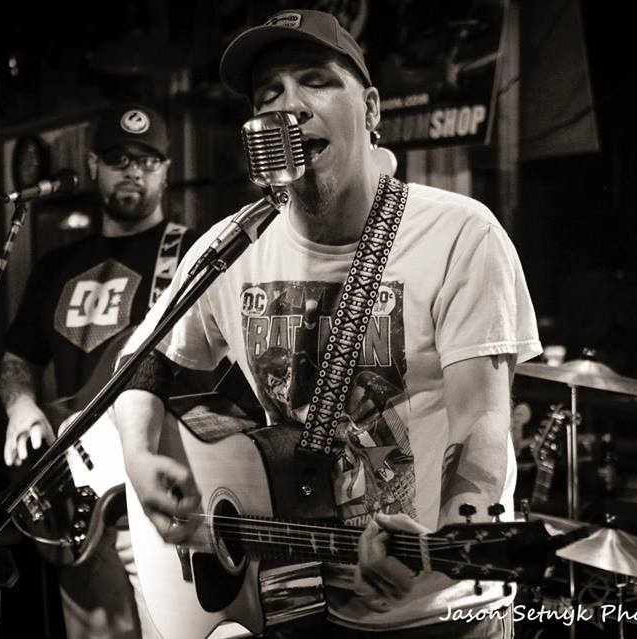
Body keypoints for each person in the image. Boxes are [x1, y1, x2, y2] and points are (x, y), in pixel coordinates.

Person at [114, 9, 541, 638]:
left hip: (443, 610)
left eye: (315, 81)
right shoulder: (230, 248)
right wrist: (139, 455)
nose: (289, 106)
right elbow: (143, 361)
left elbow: (482, 419)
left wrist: (455, 533)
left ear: (370, 109)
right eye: (269, 94)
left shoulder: (460, 234)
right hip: (294, 603)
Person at [0, 102, 194, 639]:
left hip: (158, 502)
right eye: (119, 158)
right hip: (77, 500)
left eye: (148, 160)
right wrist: (21, 406)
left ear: (166, 171)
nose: (133, 171)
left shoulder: (191, 255)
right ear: (93, 166)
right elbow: (18, 358)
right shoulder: (55, 266)